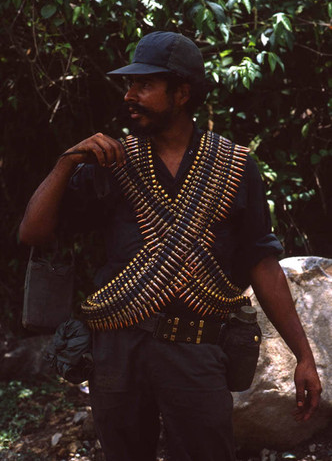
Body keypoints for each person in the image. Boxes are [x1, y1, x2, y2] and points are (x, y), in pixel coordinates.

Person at [19, 31, 322, 461]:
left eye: (144, 85)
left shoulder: (234, 166)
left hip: (196, 347)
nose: (130, 95)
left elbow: (263, 266)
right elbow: (32, 233)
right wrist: (65, 163)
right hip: (116, 350)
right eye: (129, 85)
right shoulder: (112, 161)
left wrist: (304, 357)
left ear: (181, 93)